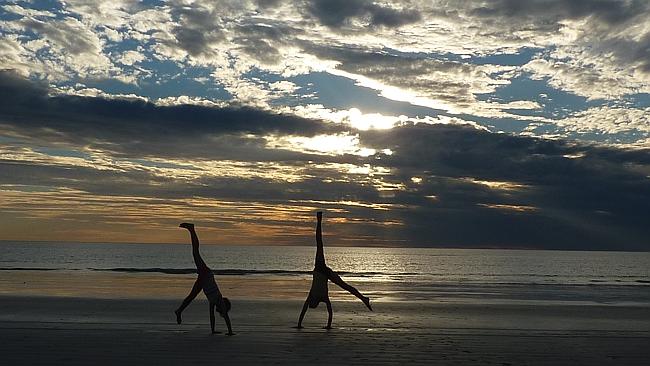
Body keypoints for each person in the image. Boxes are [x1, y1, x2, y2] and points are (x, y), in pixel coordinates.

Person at [296, 212, 372, 329]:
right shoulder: (321, 298)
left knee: (319, 244)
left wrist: (299, 324)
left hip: (320, 267)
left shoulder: (311, 296)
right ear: (314, 304)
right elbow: (329, 311)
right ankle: (363, 298)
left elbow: (304, 310)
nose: (310, 303)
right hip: (325, 272)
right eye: (312, 304)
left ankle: (319, 220)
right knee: (344, 286)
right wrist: (328, 326)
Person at [174, 223, 234, 335]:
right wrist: (230, 332)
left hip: (204, 279)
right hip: (206, 275)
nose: (221, 312)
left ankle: (179, 311)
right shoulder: (219, 299)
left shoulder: (213, 302)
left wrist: (213, 331)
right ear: (223, 307)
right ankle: (191, 230)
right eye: (223, 310)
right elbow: (225, 316)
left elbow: (211, 315)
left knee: (191, 296)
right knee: (195, 252)